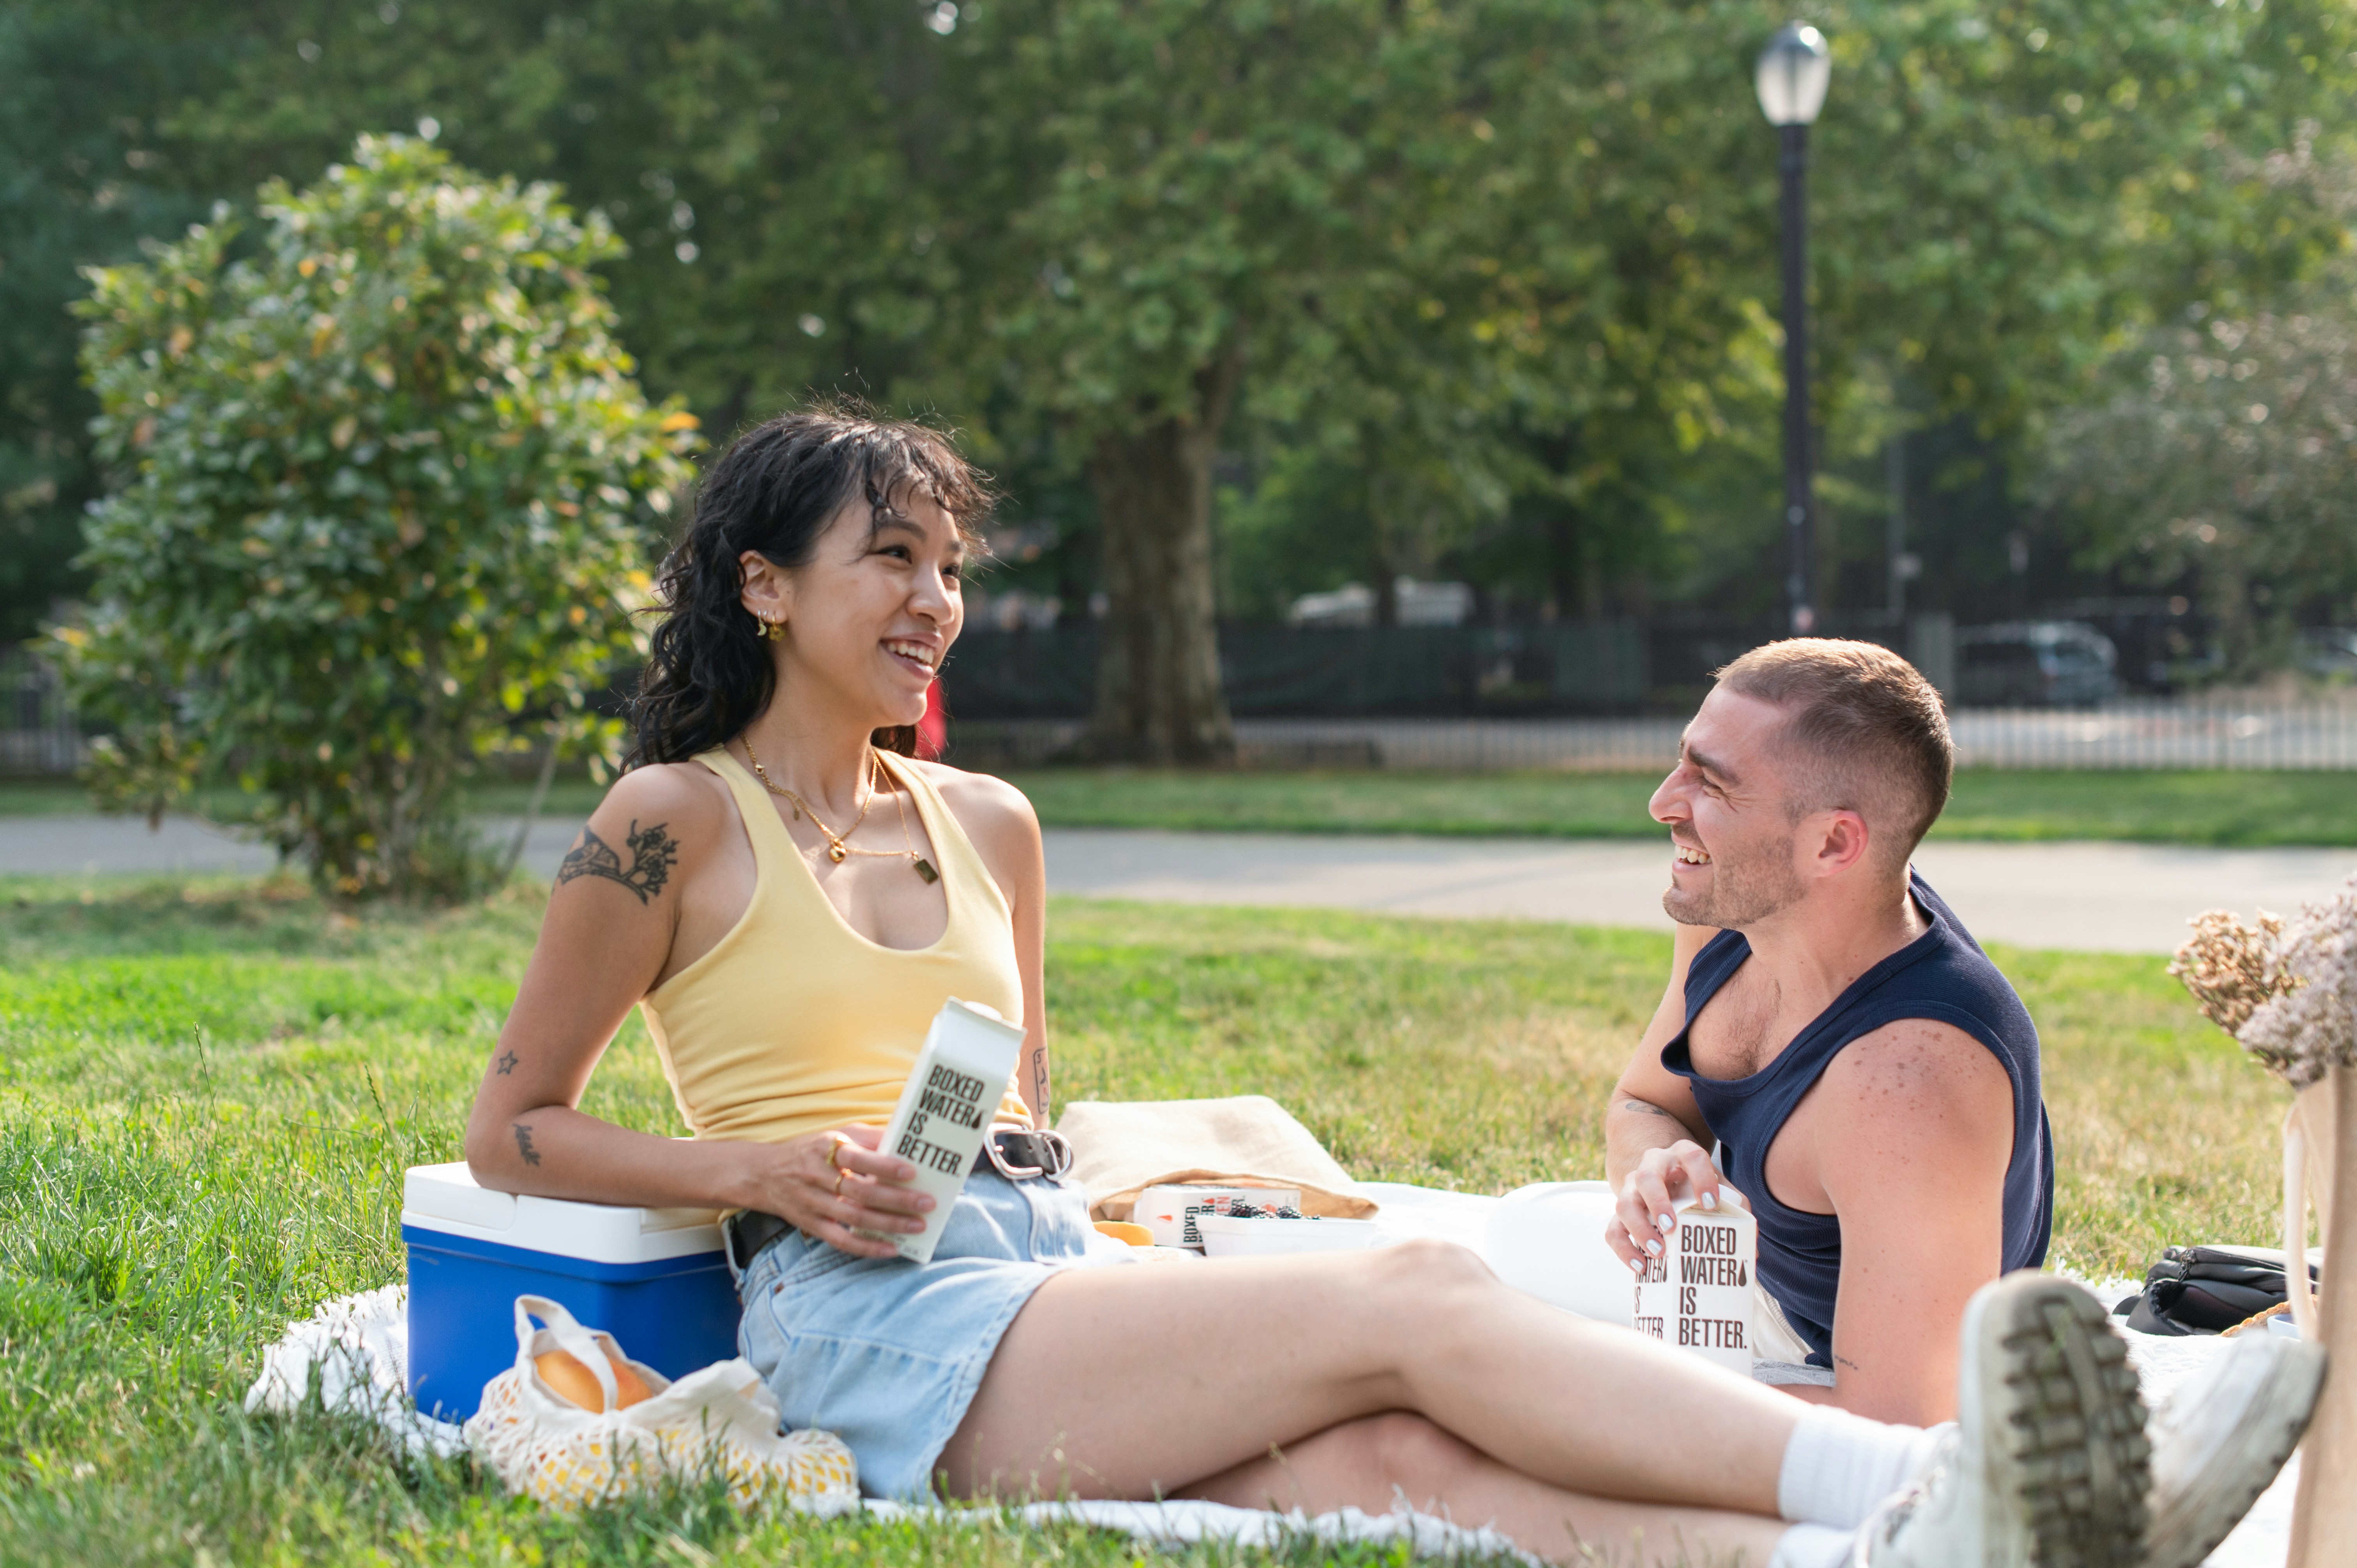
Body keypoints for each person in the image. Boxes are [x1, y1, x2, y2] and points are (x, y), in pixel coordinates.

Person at [465, 406, 2296, 1568]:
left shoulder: (994, 823)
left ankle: (1882, 1557)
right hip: (861, 1324)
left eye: (952, 565)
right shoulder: (664, 826)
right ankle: (1910, 1489)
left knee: (1406, 1455)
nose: (939, 599)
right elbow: (519, 1131)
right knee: (1423, 1282)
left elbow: (1001, 1105)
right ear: (768, 585)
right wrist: (765, 1174)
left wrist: (1034, 1160)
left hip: (1028, 1266)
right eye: (895, 560)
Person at [1603, 640, 2051, 1425]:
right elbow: (1643, 1099)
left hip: (1829, 1369)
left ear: (1834, 844)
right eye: (1683, 761)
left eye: (1713, 783)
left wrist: (1628, 1395)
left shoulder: (1908, 1077)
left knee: (1473, 1352)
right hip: (1732, 1291)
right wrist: (1655, 1163)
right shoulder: (1740, 912)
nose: (1663, 802)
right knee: (1463, 1270)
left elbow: (1902, 1423)